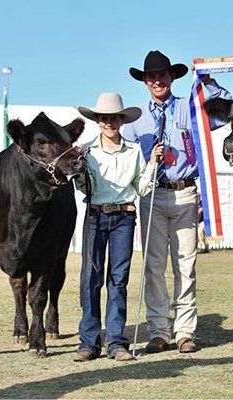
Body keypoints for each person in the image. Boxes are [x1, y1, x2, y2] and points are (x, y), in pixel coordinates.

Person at [123, 50, 231, 353]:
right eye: (151, 76)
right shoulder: (134, 119)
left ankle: (185, 331)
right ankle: (159, 329)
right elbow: (127, 160)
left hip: (185, 192)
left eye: (162, 75)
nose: (157, 80)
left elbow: (225, 109)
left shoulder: (190, 108)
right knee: (153, 265)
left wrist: (208, 80)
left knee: (185, 265)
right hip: (152, 194)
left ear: (172, 77)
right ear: (145, 82)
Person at [73, 93, 164, 362]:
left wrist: (153, 165)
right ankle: (89, 342)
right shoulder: (87, 152)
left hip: (124, 218)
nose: (109, 122)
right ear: (97, 121)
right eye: (104, 118)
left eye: (114, 118)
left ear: (121, 121)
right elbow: (81, 187)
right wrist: (79, 172)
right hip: (95, 216)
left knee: (118, 279)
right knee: (91, 278)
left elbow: (142, 187)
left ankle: (116, 342)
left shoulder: (135, 151)